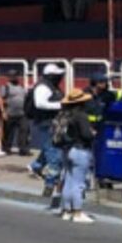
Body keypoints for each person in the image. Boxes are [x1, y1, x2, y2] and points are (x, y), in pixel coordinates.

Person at [56, 89, 96, 223]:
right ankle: (78, 212)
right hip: (80, 150)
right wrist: (93, 133)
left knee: (68, 181)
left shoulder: (65, 115)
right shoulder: (81, 116)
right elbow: (86, 135)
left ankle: (66, 211)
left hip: (67, 150)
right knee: (79, 184)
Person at [29, 63, 66, 204]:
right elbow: (40, 103)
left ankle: (36, 166)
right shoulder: (43, 87)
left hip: (55, 123)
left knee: (50, 148)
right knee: (55, 154)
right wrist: (60, 105)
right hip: (46, 123)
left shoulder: (53, 86)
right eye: (58, 75)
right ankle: (50, 184)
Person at [0, 70, 30, 156]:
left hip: (22, 114)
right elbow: (1, 100)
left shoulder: (22, 88)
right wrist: (3, 112)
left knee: (24, 131)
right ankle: (6, 148)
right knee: (8, 133)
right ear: (8, 78)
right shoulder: (5, 87)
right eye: (11, 76)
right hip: (9, 113)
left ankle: (23, 150)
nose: (13, 78)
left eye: (15, 76)